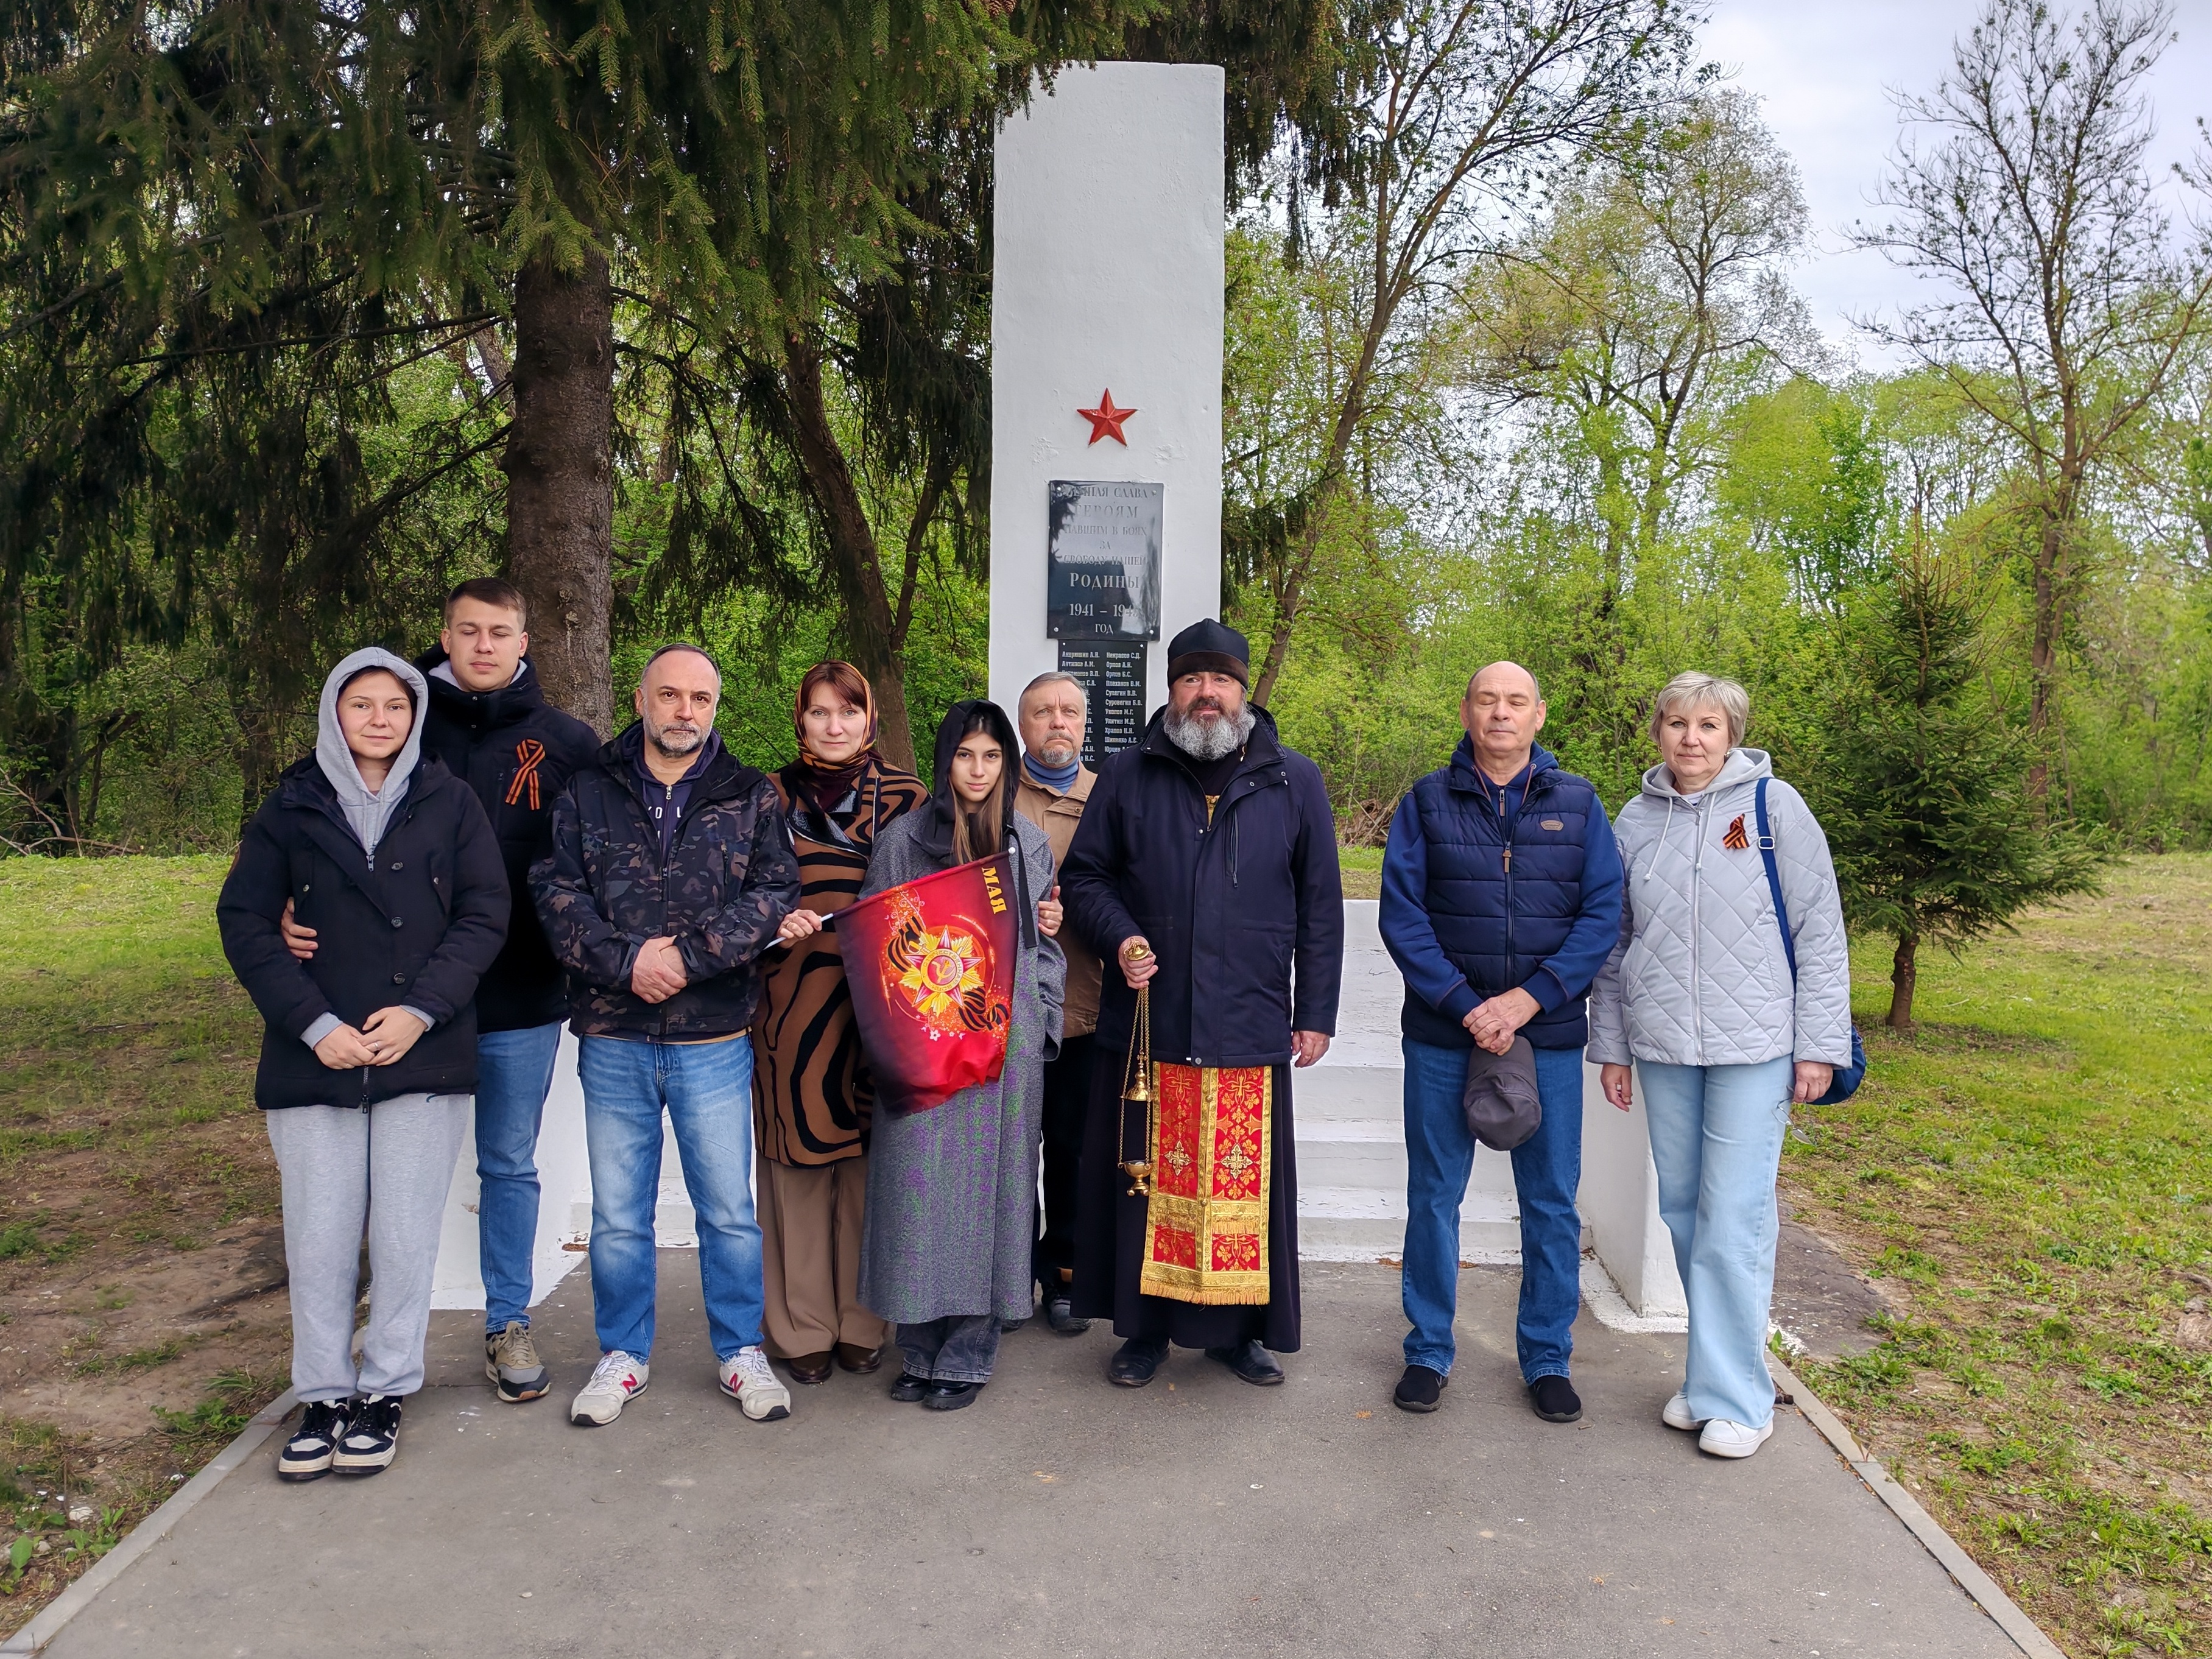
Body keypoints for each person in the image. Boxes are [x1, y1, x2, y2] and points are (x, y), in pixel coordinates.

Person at [280, 577, 596, 1406]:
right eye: (468, 631)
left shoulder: (565, 743)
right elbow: (305, 823)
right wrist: (286, 901)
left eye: (500, 631)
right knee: (371, 1179)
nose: (484, 645)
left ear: (526, 642)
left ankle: (506, 1320)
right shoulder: (401, 728)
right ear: (446, 638)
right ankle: (372, 1350)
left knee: (507, 1162)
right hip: (396, 1005)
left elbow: (608, 853)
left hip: (519, 994)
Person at [218, 649, 509, 1481]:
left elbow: (486, 912)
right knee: (320, 1235)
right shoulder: (291, 804)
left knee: (405, 1235)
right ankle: (321, 1393)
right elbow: (243, 919)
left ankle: (384, 1391)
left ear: (416, 716)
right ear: (332, 714)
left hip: (421, 1053)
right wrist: (314, 1025)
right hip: (317, 1057)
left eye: (395, 706)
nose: (379, 720)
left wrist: (421, 1011)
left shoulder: (449, 801)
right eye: (362, 706)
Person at [1062, 619, 1344, 1388]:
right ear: (1172, 690)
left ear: (1243, 689)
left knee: (1237, 1183)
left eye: (1220, 680)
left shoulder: (1295, 779)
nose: (1207, 694)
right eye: (1192, 679)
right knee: (1145, 1178)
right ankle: (1144, 1332)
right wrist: (1119, 937)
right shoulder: (1125, 774)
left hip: (1249, 1017)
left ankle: (1235, 1334)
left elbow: (1320, 905)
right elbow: (1085, 879)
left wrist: (1314, 1010)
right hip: (1150, 1019)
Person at [533, 643, 802, 1429]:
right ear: (642, 698)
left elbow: (771, 893)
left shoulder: (749, 795)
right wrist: (627, 964)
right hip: (614, 1035)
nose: (685, 711)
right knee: (619, 1215)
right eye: (671, 696)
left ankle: (739, 1351)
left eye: (701, 699)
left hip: (712, 1037)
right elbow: (555, 892)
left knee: (726, 1210)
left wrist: (683, 962)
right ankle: (622, 1354)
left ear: (716, 706)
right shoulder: (589, 789)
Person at [1588, 671, 1851, 1460]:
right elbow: (1614, 942)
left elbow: (1821, 933)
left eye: (1707, 725)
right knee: (1685, 1216)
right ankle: (1709, 1384)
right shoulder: (1633, 820)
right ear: (1657, 732)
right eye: (1676, 723)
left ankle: (1743, 1397)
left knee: (1734, 1218)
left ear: (1732, 734)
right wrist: (1613, 1045)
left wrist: (1818, 1045)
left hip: (1757, 1047)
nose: (1691, 739)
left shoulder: (1774, 809)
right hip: (1663, 1044)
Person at [1377, 663, 1623, 1421]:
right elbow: (1402, 915)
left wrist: (1524, 1001)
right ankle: (1427, 1350)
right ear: (1465, 708)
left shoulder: (1578, 805)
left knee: (1548, 1204)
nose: (1501, 715)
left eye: (1515, 702)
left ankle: (1547, 1358)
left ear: (1538, 715)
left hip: (1544, 1038)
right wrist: (1465, 1006)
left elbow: (1601, 914)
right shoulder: (1425, 800)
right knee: (1433, 1195)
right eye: (1486, 700)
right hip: (1443, 1036)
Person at [858, 700, 1065, 1410]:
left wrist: (1040, 1028)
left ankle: (969, 1354)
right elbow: (879, 946)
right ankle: (917, 1347)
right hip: (926, 1041)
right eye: (964, 755)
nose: (977, 771)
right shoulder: (902, 842)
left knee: (992, 1196)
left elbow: (1043, 944)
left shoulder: (1025, 844)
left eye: (991, 757)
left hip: (1004, 1049)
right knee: (917, 1190)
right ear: (945, 763)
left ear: (1006, 765)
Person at [752, 661, 928, 1384]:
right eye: (819, 713)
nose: (833, 727)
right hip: (791, 1005)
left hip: (884, 1007)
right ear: (800, 720)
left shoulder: (911, 799)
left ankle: (863, 1320)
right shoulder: (762, 798)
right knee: (796, 1169)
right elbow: (733, 890)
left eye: (847, 714)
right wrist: (770, 918)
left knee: (868, 1166)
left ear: (869, 720)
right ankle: (799, 1330)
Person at [1012, 670, 1102, 1336]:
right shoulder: (990, 790)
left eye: (1068, 711)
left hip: (1084, 1002)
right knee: (1011, 1148)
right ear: (1023, 725)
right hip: (1006, 1009)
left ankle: (1068, 1272)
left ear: (1084, 722)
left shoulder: (1110, 797)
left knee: (1071, 1147)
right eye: (1042, 712)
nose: (1056, 723)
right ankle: (1010, 1274)